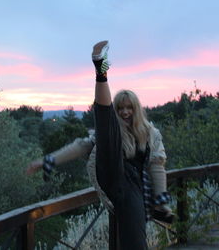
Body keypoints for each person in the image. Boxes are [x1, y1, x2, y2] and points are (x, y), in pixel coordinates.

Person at [26, 41, 172, 249]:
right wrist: (48, 160)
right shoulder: (113, 130)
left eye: (129, 108)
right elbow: (81, 146)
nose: (125, 112)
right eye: (121, 108)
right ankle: (100, 67)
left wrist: (161, 200)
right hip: (111, 174)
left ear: (136, 109)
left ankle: (100, 67)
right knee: (106, 123)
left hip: (134, 189)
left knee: (136, 240)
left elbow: (157, 167)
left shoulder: (151, 134)